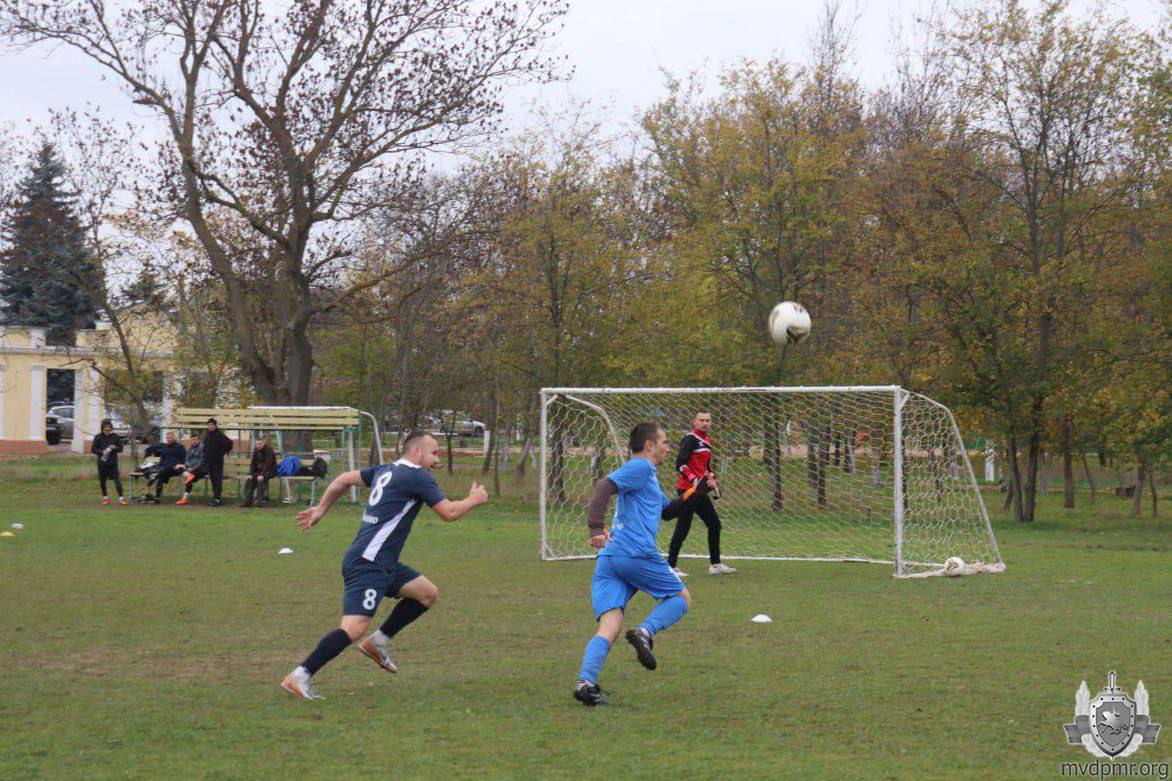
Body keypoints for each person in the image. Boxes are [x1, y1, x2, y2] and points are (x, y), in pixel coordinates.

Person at [280, 431, 489, 700]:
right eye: (434, 453)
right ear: (416, 453)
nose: (437, 459)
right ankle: (299, 676)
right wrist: (473, 500)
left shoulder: (387, 470)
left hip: (381, 561)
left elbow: (343, 479)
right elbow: (448, 513)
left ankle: (377, 643)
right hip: (369, 563)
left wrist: (321, 509)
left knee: (426, 593)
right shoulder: (417, 475)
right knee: (353, 628)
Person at [572, 422, 716, 706]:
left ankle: (585, 683)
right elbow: (604, 485)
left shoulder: (647, 476)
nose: (667, 447)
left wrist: (698, 489)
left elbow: (668, 511)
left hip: (611, 560)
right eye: (663, 441)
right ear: (649, 445)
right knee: (681, 597)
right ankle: (644, 632)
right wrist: (595, 527)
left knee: (610, 626)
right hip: (635, 553)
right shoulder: (639, 467)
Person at [667, 411, 736, 577]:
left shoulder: (707, 440)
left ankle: (715, 564)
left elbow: (706, 468)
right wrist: (694, 481)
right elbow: (680, 464)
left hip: (700, 491)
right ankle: (670, 567)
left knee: (714, 524)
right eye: (701, 420)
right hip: (688, 490)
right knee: (683, 528)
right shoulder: (690, 439)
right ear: (694, 421)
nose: (705, 423)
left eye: (708, 420)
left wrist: (712, 479)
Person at [142, 431, 186, 504]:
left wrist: (179, 465)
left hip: (175, 468)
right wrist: (159, 465)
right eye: (167, 438)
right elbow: (162, 459)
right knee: (160, 477)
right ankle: (157, 498)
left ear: (174, 438)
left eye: (170, 437)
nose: (169, 439)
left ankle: (154, 478)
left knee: (162, 472)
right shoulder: (165, 447)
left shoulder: (180, 447)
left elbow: (184, 458)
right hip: (164, 469)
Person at [91, 419, 127, 506]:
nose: (107, 429)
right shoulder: (98, 437)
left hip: (113, 463)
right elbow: (93, 449)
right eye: (106, 427)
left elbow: (121, 449)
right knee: (103, 481)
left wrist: (114, 447)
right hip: (102, 463)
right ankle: (105, 498)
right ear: (102, 428)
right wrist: (101, 452)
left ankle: (121, 498)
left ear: (111, 428)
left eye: (109, 427)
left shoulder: (115, 436)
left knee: (117, 481)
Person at [200, 418, 233, 506]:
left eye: (212, 425)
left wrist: (222, 452)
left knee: (217, 480)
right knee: (213, 480)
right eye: (209, 425)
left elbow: (229, 443)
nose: (210, 427)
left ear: (215, 425)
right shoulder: (207, 435)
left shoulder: (220, 435)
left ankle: (217, 499)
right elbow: (205, 448)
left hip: (217, 462)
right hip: (208, 462)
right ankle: (215, 498)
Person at [242, 435, 277, 507]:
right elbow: (253, 463)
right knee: (249, 480)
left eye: (260, 444)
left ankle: (259, 501)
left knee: (260, 479)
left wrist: (262, 474)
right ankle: (247, 501)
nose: (259, 445)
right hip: (259, 471)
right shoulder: (256, 450)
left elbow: (268, 463)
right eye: (257, 444)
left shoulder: (269, 450)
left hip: (270, 470)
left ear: (264, 443)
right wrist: (251, 474)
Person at [175, 437, 204, 506]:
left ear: (198, 440)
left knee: (189, 479)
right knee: (178, 467)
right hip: (190, 468)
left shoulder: (202, 448)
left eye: (195, 439)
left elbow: (201, 461)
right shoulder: (189, 448)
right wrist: (187, 466)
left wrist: (193, 468)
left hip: (200, 469)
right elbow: (187, 459)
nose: (194, 441)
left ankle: (184, 499)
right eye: (192, 440)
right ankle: (188, 475)